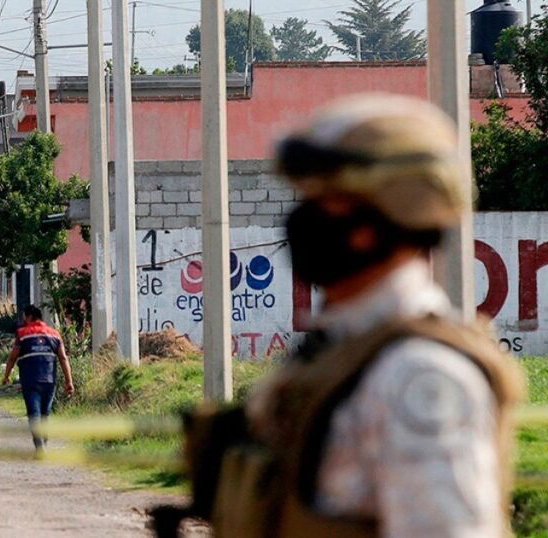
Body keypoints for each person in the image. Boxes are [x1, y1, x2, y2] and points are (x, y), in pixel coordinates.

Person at [158, 95, 523, 537]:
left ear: (383, 216)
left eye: (325, 200)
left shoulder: (420, 376)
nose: (302, 217)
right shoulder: (341, 350)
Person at [1, 305, 75, 457]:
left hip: (30, 381)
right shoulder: (54, 334)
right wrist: (69, 381)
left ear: (28, 317)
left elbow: (12, 357)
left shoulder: (22, 334)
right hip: (49, 381)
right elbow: (63, 358)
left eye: (24, 318)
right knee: (45, 414)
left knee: (34, 414)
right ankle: (43, 444)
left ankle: (40, 446)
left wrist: (6, 376)